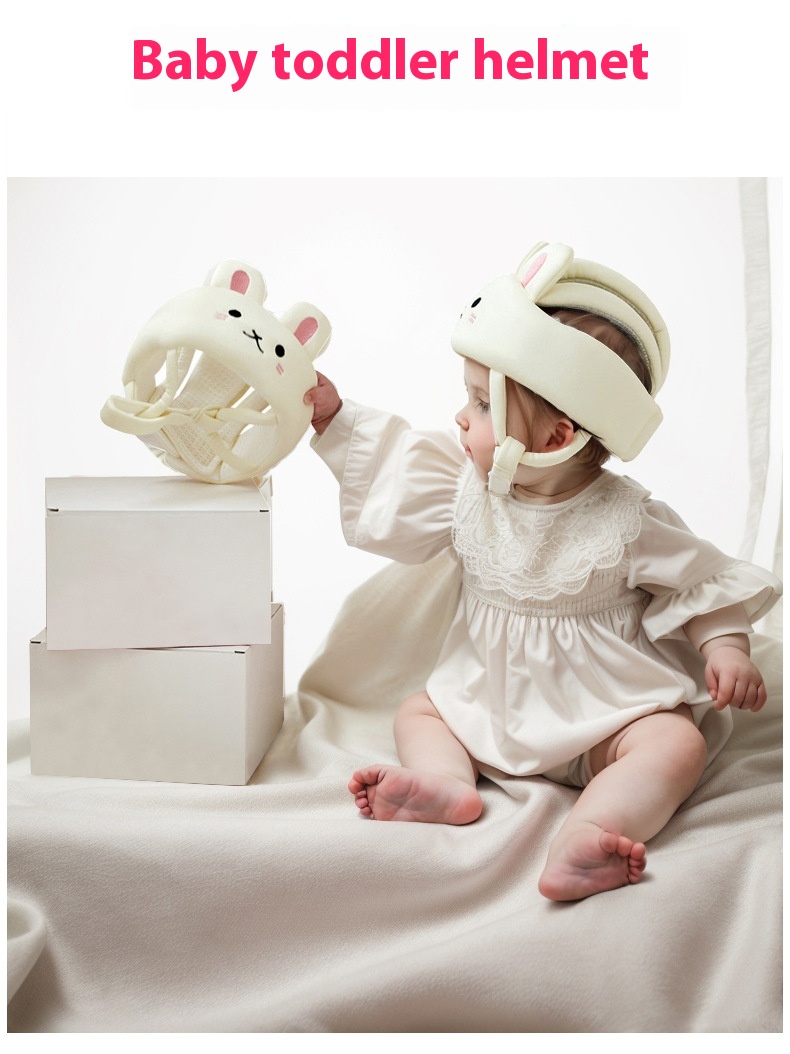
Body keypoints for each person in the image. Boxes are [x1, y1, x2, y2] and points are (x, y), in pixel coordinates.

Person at [305, 242, 781, 902]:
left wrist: (726, 648)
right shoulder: (464, 493)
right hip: (484, 706)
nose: (460, 417)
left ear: (556, 437)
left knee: (675, 743)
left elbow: (700, 583)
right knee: (419, 711)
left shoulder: (628, 519)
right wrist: (335, 420)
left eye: (481, 404)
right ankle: (447, 783)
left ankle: (589, 830)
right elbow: (392, 469)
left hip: (605, 719)